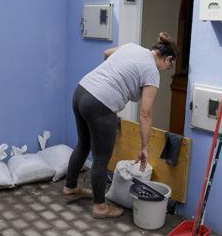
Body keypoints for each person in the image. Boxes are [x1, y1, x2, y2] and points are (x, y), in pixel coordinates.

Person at [64, 32, 179, 218]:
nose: (166, 70)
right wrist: (144, 147)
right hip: (101, 103)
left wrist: (117, 74)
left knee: (83, 144)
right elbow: (145, 113)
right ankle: (100, 207)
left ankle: (70, 186)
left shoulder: (133, 47)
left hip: (82, 91)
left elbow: (107, 52)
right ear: (168, 59)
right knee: (101, 159)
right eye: (169, 66)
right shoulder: (152, 73)